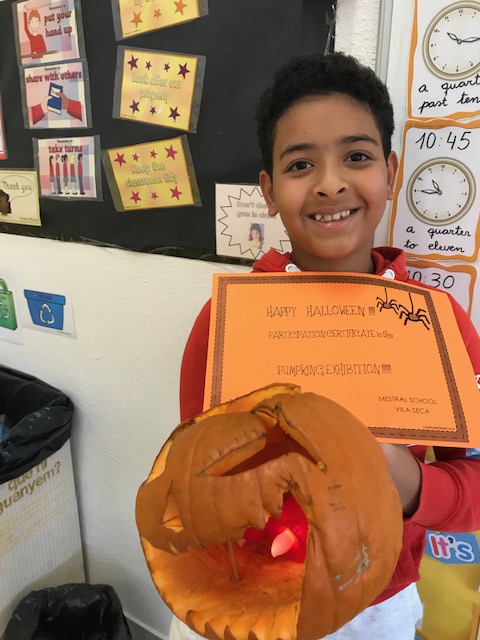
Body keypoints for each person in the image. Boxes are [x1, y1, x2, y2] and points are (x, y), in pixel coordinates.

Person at [176, 52, 480, 640]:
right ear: (269, 191)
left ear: (391, 172)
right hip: (253, 593)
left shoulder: (440, 324)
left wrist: (413, 485)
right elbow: (191, 473)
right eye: (299, 165)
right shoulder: (224, 324)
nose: (330, 183)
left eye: (357, 157)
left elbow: (474, 483)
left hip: (380, 602)